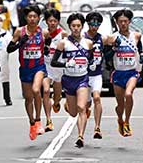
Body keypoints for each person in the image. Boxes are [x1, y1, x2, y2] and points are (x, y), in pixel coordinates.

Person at [50, 13, 93, 148]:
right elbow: (53, 62)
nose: (76, 28)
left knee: (82, 108)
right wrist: (66, 64)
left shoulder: (88, 43)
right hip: (68, 79)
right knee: (73, 113)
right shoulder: (63, 43)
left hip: (82, 79)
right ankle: (68, 105)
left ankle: (80, 136)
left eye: (78, 26)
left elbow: (90, 59)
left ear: (82, 26)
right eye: (73, 26)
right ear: (69, 27)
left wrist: (92, 64)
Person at [8, 4, 46, 140]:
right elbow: (9, 49)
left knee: (37, 90)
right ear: (26, 18)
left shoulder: (43, 32)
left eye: (35, 17)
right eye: (30, 16)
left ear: (38, 18)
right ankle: (31, 123)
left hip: (39, 67)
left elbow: (50, 45)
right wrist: (20, 43)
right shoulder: (20, 31)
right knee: (28, 97)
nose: (32, 19)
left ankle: (38, 120)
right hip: (25, 68)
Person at [104, 9, 143, 137]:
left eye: (125, 21)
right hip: (118, 73)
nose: (123, 24)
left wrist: (142, 57)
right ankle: (120, 119)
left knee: (128, 94)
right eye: (120, 21)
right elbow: (107, 56)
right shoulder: (112, 37)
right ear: (116, 22)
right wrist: (114, 47)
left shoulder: (136, 36)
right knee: (120, 104)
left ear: (129, 22)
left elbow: (140, 49)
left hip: (131, 72)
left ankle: (127, 122)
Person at [41, 8, 65, 131]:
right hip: (45, 67)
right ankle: (48, 120)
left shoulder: (64, 34)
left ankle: (56, 101)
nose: (52, 23)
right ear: (46, 21)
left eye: (55, 21)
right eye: (50, 21)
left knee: (56, 95)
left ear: (58, 21)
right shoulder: (43, 34)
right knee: (45, 91)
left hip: (58, 68)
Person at [84, 11, 106, 139]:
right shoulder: (82, 37)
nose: (94, 26)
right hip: (84, 74)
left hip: (97, 74)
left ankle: (97, 127)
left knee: (97, 98)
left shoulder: (102, 38)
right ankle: (86, 108)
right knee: (86, 104)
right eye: (92, 23)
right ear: (88, 24)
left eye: (97, 24)